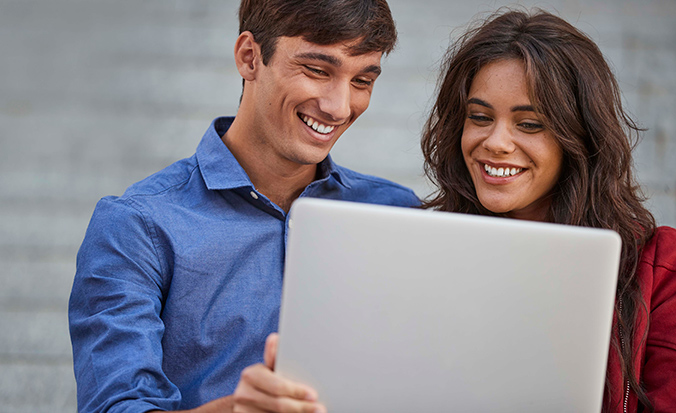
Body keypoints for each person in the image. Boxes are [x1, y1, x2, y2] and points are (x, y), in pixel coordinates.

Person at [69, 0, 418, 412]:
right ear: (249, 57)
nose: (339, 107)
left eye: (362, 80)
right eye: (317, 70)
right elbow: (116, 405)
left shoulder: (399, 215)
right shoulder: (135, 226)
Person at [420, 9, 676, 412]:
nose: (496, 142)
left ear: (579, 136)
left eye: (530, 124)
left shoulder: (659, 266)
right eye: (480, 117)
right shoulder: (422, 254)